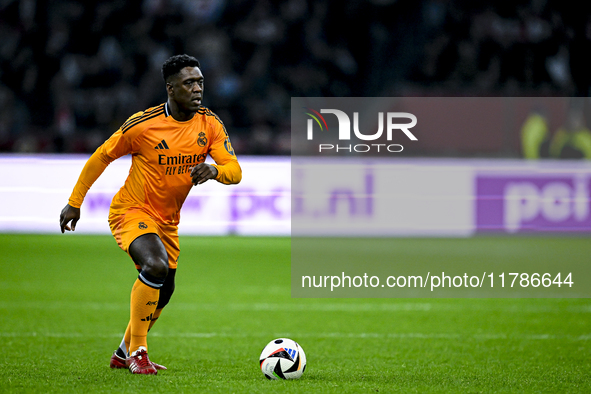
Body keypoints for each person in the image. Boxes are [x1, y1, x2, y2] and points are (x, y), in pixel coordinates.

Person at [59, 54, 242, 375]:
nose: (197, 88)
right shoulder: (143, 124)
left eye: (199, 81)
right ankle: (138, 353)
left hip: (167, 221)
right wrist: (75, 202)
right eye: (189, 83)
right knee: (154, 266)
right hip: (131, 210)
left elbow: (235, 170)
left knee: (165, 289)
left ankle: (121, 352)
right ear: (171, 88)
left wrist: (214, 170)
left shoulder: (209, 124)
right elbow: (101, 157)